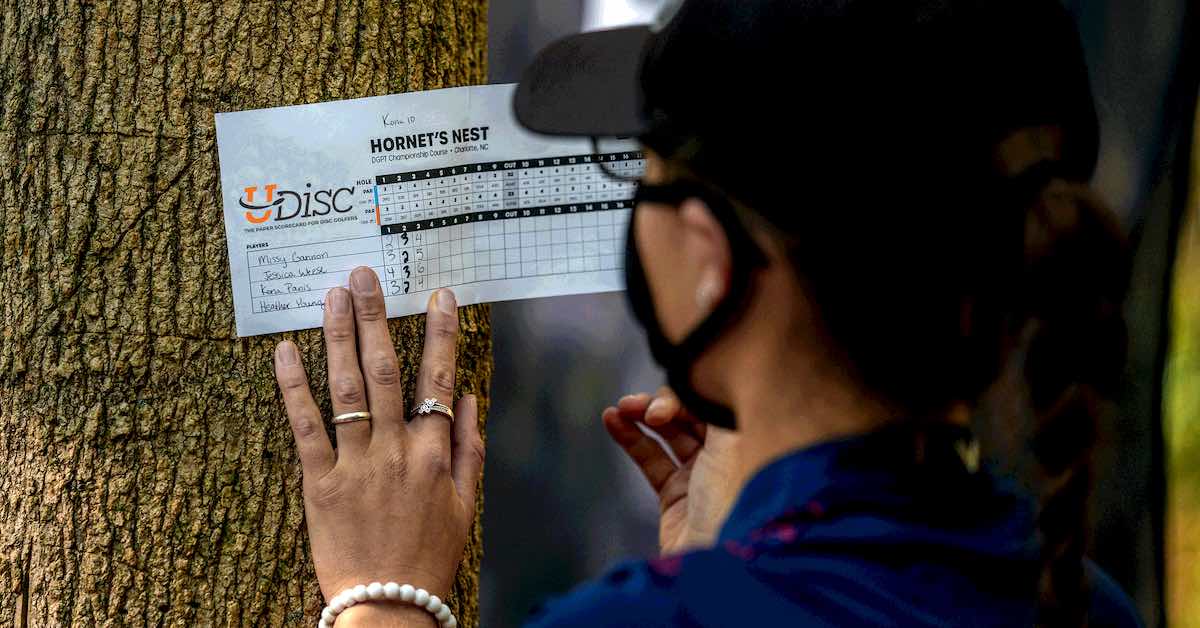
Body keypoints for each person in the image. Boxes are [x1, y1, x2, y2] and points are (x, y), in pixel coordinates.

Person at [271, 0, 1145, 625]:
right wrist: (718, 567)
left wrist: (385, 606)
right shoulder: (1087, 601)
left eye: (643, 171)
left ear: (708, 259)